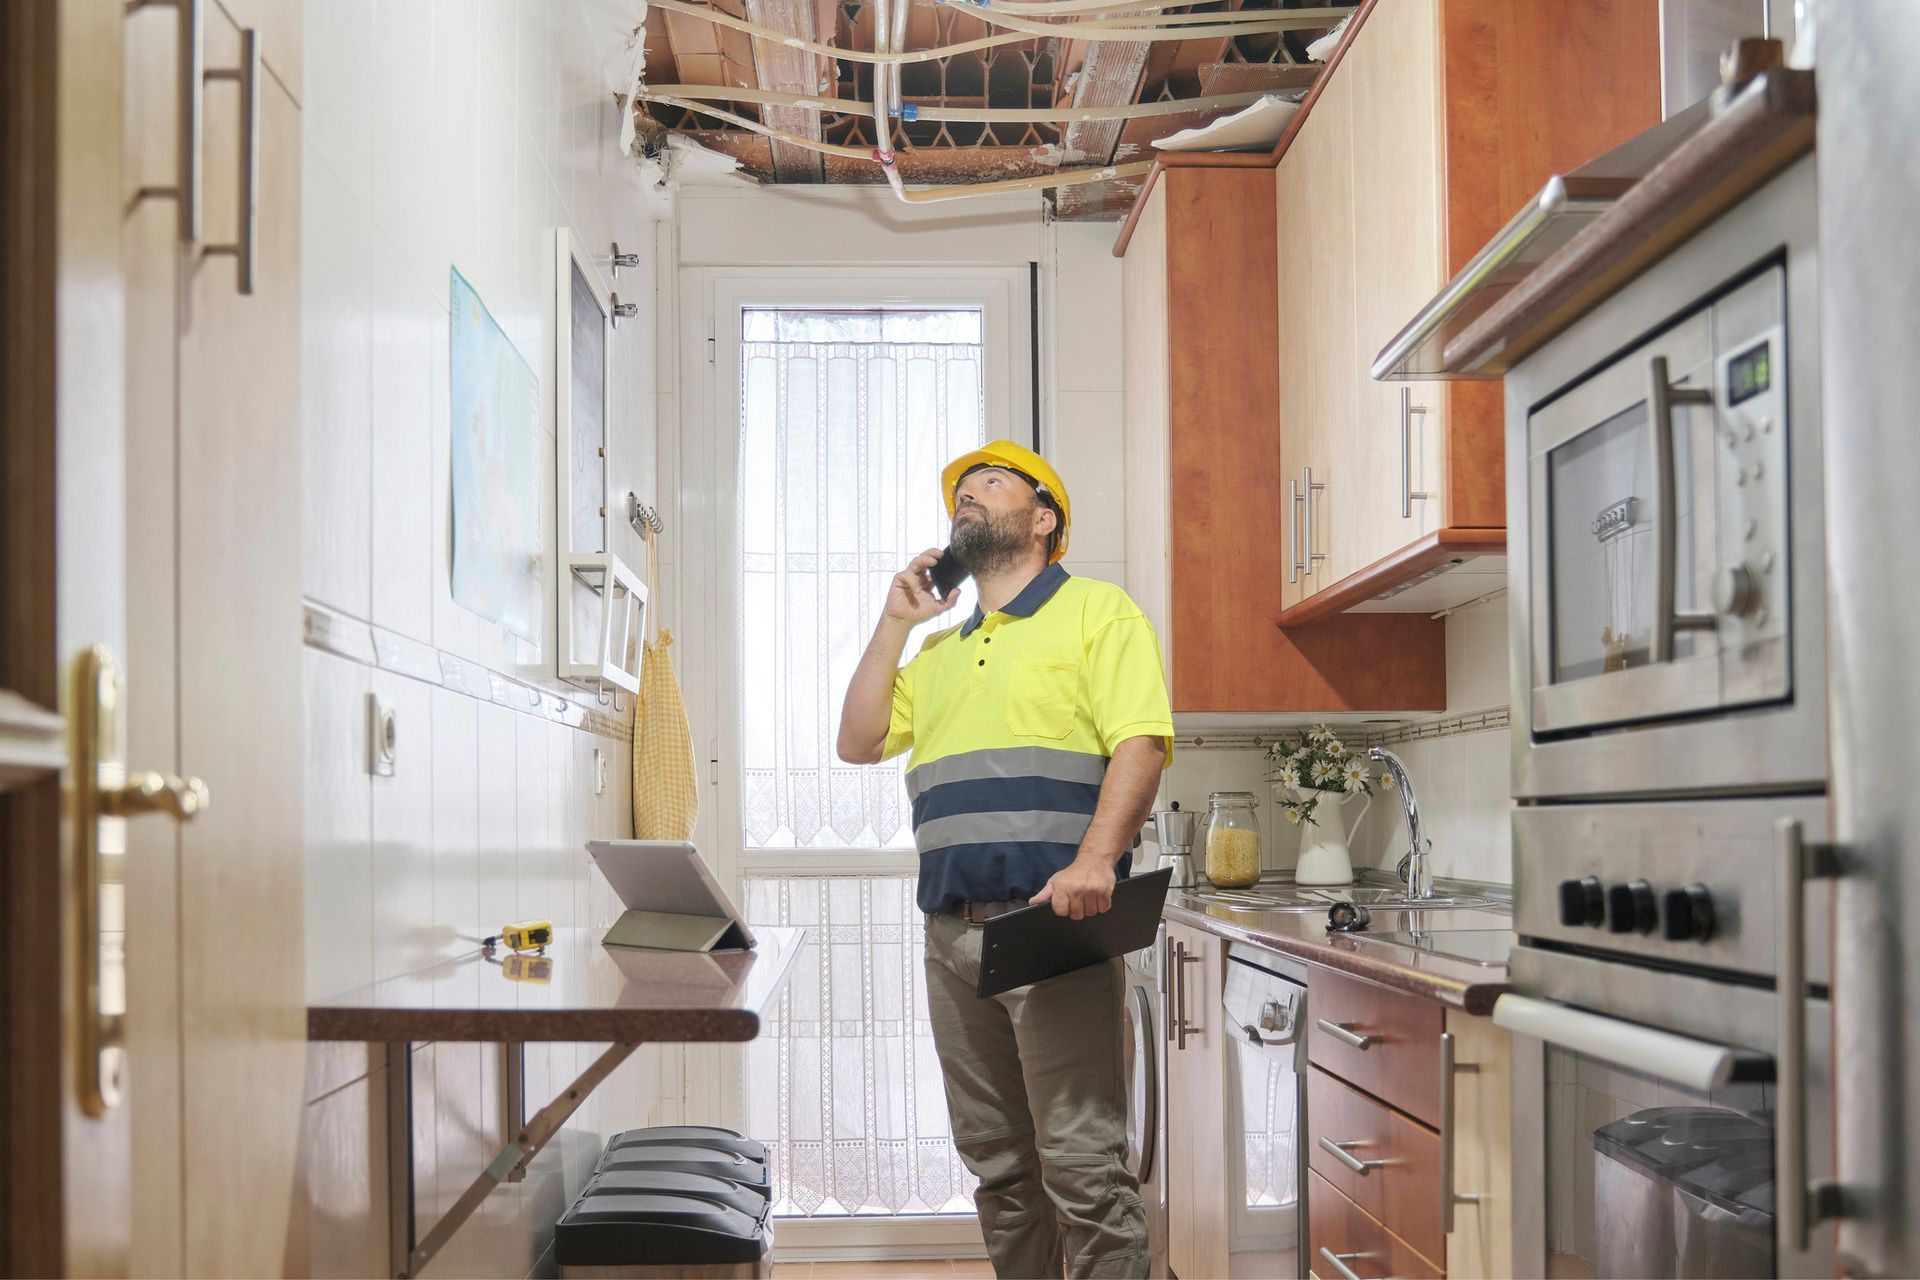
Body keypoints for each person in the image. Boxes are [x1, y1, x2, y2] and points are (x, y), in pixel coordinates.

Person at [836, 440, 1174, 1279]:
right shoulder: (940, 653)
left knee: (1083, 1170)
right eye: (959, 492)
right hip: (951, 937)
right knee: (1000, 1171)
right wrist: (895, 621)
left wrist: (1098, 859)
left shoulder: (1100, 612)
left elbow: (1142, 740)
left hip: (1052, 927)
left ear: (1044, 519)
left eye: (989, 483)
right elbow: (859, 739)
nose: (966, 497)